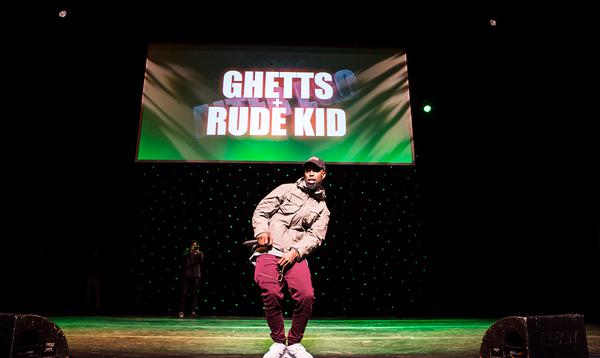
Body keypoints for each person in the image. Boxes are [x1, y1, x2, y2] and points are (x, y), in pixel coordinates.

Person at [251, 156, 330, 358]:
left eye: (316, 170)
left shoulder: (322, 208)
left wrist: (295, 252)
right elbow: (262, 211)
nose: (311, 173)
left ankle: (294, 344)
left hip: (295, 255)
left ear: (323, 174)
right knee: (271, 293)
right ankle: (278, 343)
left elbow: (316, 236)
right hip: (270, 250)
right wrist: (261, 231)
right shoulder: (286, 189)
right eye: (308, 170)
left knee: (306, 296)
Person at [178, 240, 204, 318]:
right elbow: (182, 258)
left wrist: (198, 253)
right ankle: (181, 311)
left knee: (194, 294)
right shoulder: (187, 252)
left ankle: (193, 311)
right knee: (184, 293)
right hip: (186, 275)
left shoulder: (200, 253)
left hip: (196, 275)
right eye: (193, 245)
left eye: (196, 245)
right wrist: (190, 251)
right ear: (190, 246)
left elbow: (201, 260)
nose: (194, 247)